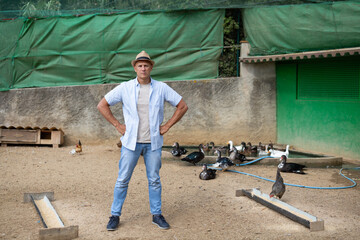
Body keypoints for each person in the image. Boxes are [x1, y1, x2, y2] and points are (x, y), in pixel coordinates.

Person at [97, 50, 188, 231]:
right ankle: (115, 215)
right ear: (135, 68)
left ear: (151, 67)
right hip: (131, 143)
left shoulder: (161, 88)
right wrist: (117, 125)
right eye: (140, 65)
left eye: (146, 65)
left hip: (153, 142)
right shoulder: (125, 88)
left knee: (154, 179)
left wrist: (167, 126)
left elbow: (182, 105)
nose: (143, 68)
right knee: (122, 179)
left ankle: (157, 214)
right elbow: (102, 104)